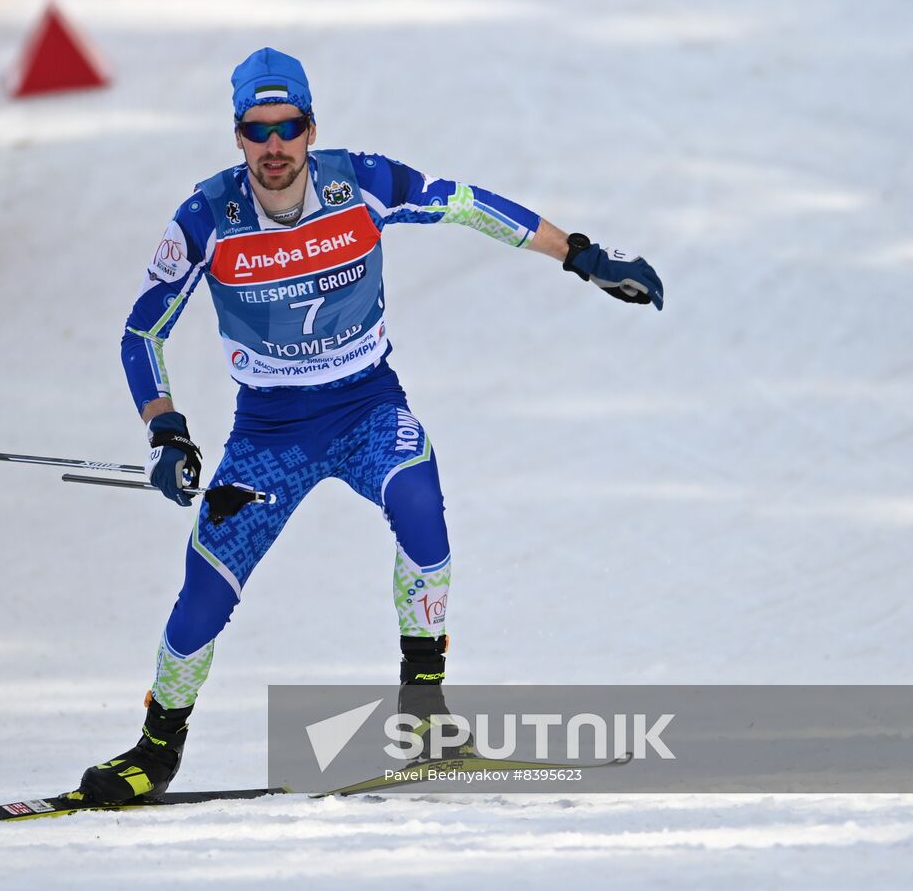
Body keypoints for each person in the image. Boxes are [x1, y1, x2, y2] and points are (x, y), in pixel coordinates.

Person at [77, 47, 663, 802]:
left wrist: (577, 253)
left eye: (289, 127)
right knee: (203, 598)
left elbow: (463, 202)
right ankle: (155, 750)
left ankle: (424, 714)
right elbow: (141, 334)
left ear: (311, 127)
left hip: (366, 409)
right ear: (238, 136)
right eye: (259, 131)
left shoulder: (361, 184)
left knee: (422, 510)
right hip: (268, 437)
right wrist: (166, 431)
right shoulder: (205, 218)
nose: (275, 146)